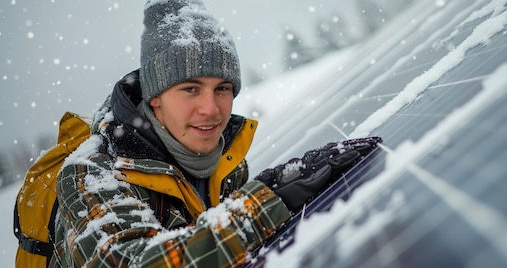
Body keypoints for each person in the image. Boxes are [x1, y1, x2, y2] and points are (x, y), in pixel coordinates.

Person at [49, 0, 381, 267]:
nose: (212, 109)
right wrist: (264, 204)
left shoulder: (226, 160)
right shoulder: (90, 173)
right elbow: (136, 261)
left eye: (222, 88)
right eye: (191, 89)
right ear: (155, 97)